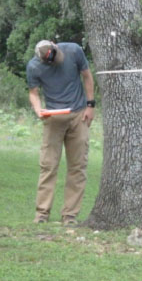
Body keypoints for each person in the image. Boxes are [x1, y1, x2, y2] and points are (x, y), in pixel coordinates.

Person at [27, 40, 95, 225]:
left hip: (78, 115)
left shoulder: (73, 51)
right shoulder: (34, 67)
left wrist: (90, 105)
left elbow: (87, 76)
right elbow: (33, 92)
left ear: (54, 45)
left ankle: (70, 215)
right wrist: (38, 110)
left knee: (78, 166)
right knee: (48, 166)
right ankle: (42, 214)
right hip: (53, 118)